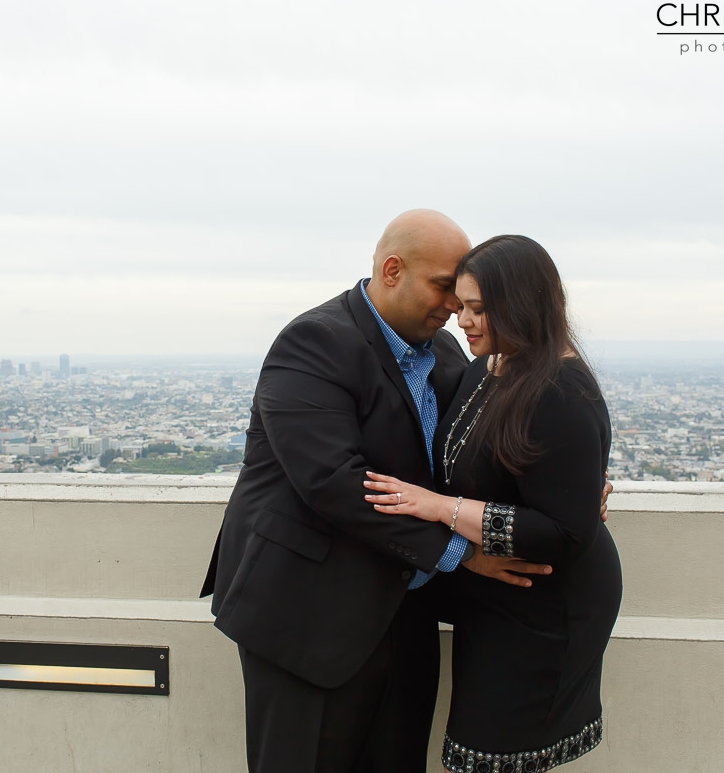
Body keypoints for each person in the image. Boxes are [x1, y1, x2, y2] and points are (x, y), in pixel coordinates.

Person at [200, 210, 558, 773]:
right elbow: (332, 482)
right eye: (445, 287)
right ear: (393, 270)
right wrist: (464, 552)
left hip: (404, 612)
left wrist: (568, 480)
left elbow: (481, 449)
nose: (456, 307)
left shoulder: (444, 353)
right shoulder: (314, 342)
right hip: (308, 617)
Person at [364, 235, 622, 773]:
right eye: (463, 307)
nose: (464, 321)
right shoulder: (490, 367)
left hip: (546, 604)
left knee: (495, 754)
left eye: (480, 310)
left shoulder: (562, 391)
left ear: (523, 304)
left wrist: (438, 508)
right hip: (493, 595)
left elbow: (565, 532)